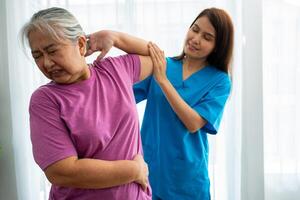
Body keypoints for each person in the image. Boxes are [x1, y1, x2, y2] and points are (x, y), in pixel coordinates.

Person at [21, 7, 155, 200]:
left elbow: (156, 58)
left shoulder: (116, 69)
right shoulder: (45, 100)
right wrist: (133, 170)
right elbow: (62, 171)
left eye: (52, 51)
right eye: (37, 56)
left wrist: (114, 37)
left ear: (81, 44)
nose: (47, 63)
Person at [132, 8, 234, 200]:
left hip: (187, 182)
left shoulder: (220, 81)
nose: (196, 39)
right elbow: (123, 97)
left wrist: (163, 81)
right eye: (194, 29)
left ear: (218, 46)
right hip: (149, 174)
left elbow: (193, 123)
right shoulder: (164, 65)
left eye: (207, 37)